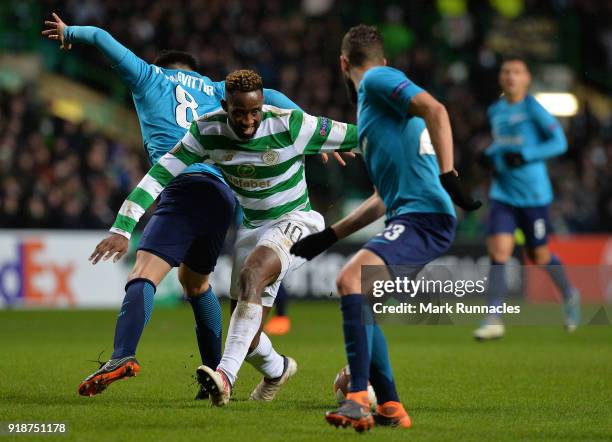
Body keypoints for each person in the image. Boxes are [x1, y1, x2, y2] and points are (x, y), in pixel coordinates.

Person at [41, 13, 310, 398]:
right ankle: (215, 378)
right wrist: (305, 127)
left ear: (161, 66)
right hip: (221, 196)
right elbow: (275, 97)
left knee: (144, 270)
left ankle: (122, 356)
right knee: (195, 283)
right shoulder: (217, 88)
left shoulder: (149, 76)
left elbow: (100, 35)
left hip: (182, 187)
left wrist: (71, 33)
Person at [97, 69, 359, 406]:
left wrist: (425, 163)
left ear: (263, 104)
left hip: (298, 220)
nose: (249, 120)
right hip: (253, 229)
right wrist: (122, 226)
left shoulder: (292, 124)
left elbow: (366, 137)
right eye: (240, 113)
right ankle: (278, 369)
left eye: (255, 111)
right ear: (225, 106)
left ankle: (225, 376)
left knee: (252, 274)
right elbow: (159, 175)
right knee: (247, 336)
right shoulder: (206, 131)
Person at [290, 24, 481, 432]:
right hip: (411, 216)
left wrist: (448, 176)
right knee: (363, 303)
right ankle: (391, 406)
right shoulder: (377, 117)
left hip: (425, 217)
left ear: (344, 64)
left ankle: (358, 397)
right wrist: (330, 235)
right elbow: (382, 197)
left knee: (349, 280)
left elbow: (437, 110)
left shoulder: (376, 80)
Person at [474, 56, 580, 340]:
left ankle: (570, 295)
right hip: (503, 193)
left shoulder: (534, 108)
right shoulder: (496, 110)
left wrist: (527, 155)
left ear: (526, 79)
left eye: (517, 72)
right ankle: (493, 317)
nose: (511, 77)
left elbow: (560, 143)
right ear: (500, 78)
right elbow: (502, 143)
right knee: (498, 253)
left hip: (534, 196)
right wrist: (488, 155)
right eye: (507, 72)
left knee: (539, 255)